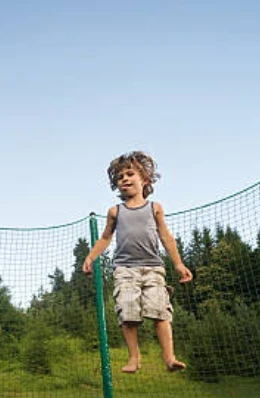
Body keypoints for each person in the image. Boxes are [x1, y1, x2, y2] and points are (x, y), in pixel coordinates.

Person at [82, 151, 193, 373]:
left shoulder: (155, 208)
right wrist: (91, 256)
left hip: (153, 267)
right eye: (119, 177)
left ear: (145, 180)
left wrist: (179, 264)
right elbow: (105, 238)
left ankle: (169, 358)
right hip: (124, 269)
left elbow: (166, 237)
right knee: (128, 313)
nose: (124, 179)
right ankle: (134, 358)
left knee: (160, 312)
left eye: (129, 173)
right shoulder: (115, 211)